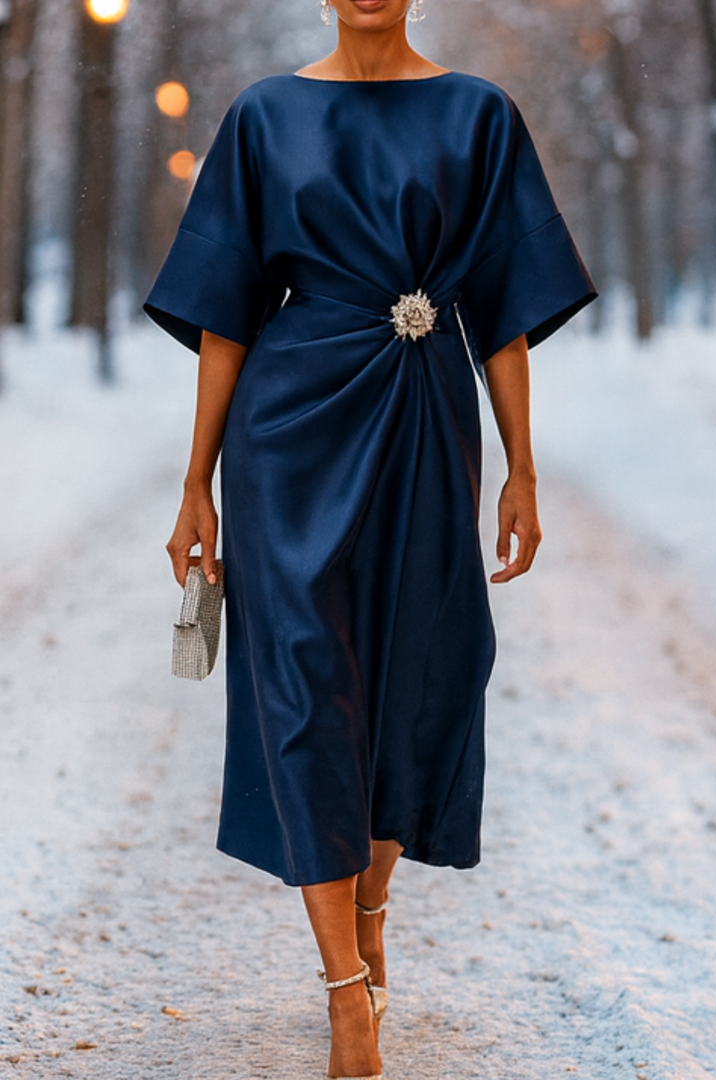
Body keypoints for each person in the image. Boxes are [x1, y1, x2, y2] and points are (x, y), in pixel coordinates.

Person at [144, 1, 596, 1076]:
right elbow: (225, 314)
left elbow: (504, 310)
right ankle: (347, 993)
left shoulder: (480, 115)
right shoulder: (263, 117)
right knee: (304, 680)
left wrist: (523, 466)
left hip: (427, 419)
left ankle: (371, 909)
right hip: (287, 430)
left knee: (420, 674)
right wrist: (196, 481)